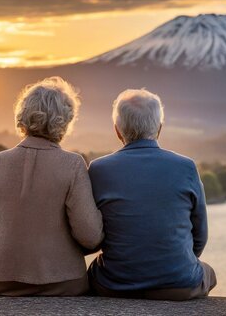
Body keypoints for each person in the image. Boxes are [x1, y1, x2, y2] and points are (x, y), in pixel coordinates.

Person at [0, 76, 103, 296]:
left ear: (23, 115)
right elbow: (90, 236)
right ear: (66, 120)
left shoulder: (0, 161)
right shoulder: (73, 164)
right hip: (61, 283)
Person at [87, 88, 216, 301]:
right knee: (208, 273)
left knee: (93, 270)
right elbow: (200, 234)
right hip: (180, 284)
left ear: (117, 130)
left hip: (115, 284)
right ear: (159, 128)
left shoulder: (98, 169)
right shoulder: (186, 167)